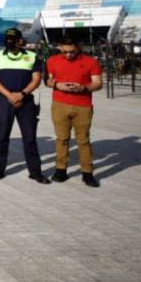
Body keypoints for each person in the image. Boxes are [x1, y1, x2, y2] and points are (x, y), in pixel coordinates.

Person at [0, 28, 50, 184]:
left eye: (14, 39)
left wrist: (22, 94)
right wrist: (10, 95)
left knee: (29, 138)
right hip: (4, 101)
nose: (10, 42)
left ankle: (35, 172)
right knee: (2, 137)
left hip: (26, 101)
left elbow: (36, 79)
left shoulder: (32, 56)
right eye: (8, 39)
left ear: (20, 40)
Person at [45, 37, 103, 187]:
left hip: (83, 105)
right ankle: (61, 170)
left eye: (72, 51)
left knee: (83, 140)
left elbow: (98, 83)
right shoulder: (52, 60)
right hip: (59, 104)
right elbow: (48, 81)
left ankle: (87, 172)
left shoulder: (91, 61)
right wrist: (58, 85)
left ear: (78, 47)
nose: (68, 55)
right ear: (59, 48)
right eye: (65, 52)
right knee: (61, 139)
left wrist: (84, 88)